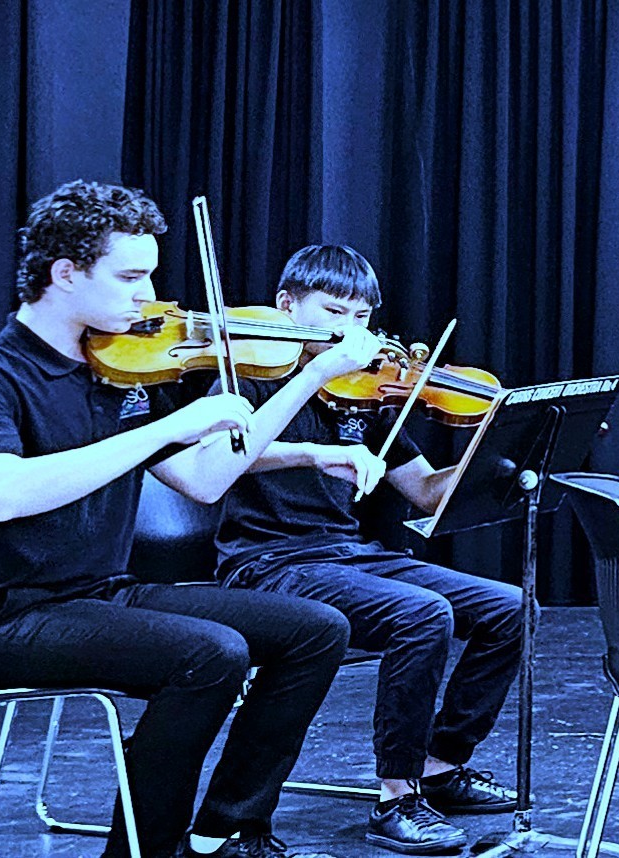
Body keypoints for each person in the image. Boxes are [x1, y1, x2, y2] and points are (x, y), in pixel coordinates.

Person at [0, 180, 373, 858]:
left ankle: (222, 828)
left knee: (315, 630)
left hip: (98, 593)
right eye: (130, 277)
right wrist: (164, 428)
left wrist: (299, 384)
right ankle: (146, 850)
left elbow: (205, 481)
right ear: (65, 274)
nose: (149, 296)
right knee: (210, 653)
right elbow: (0, 494)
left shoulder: (117, 372)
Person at [213, 245, 526, 854]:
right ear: (285, 306)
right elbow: (222, 460)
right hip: (268, 562)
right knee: (421, 614)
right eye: (333, 312)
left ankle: (439, 765)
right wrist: (313, 400)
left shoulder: (363, 392)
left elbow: (427, 492)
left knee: (512, 608)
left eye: (362, 317)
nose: (350, 332)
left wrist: (498, 445)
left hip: (349, 555)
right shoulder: (242, 376)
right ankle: (396, 797)